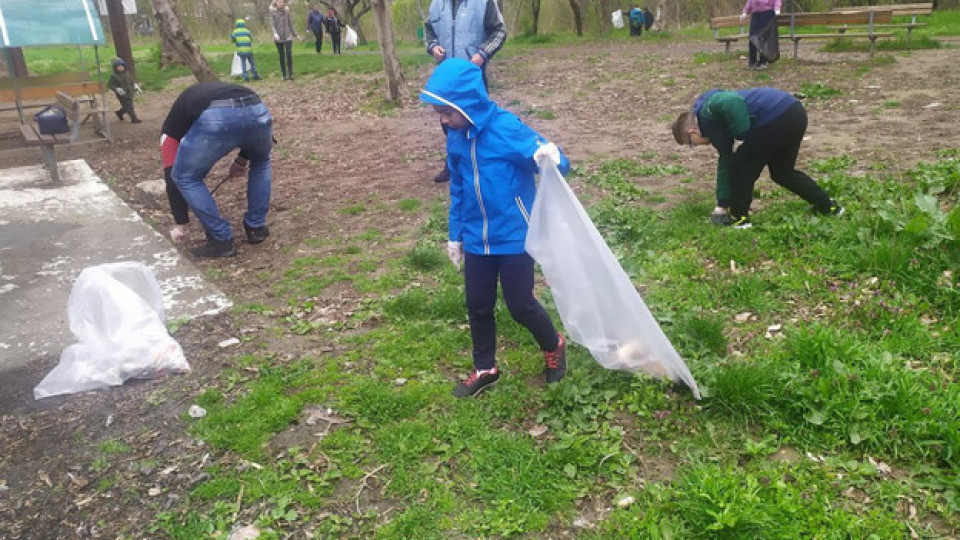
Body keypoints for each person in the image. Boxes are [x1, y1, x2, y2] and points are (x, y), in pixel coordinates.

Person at [420, 58, 569, 398]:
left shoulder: (507, 129)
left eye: (447, 112)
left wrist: (552, 156)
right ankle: (485, 368)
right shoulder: (456, 139)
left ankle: (554, 343)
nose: (443, 120)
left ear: (467, 103)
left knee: (520, 304)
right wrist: (455, 234)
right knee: (478, 304)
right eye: (438, 114)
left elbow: (556, 164)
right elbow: (457, 186)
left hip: (515, 235)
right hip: (476, 238)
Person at [671, 87, 844, 229]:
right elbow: (725, 160)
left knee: (741, 165)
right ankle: (828, 206)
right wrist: (721, 204)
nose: (698, 145)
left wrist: (743, 133)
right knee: (782, 173)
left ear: (692, 132)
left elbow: (731, 101)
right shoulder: (715, 129)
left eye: (691, 143)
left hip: (775, 116)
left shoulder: (707, 109)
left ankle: (740, 219)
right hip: (794, 113)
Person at [160, 82, 274, 257]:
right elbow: (248, 126)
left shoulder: (170, 131)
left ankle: (221, 239)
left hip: (218, 115)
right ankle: (256, 228)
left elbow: (172, 173)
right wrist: (241, 161)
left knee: (185, 177)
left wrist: (181, 222)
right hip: (257, 109)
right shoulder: (213, 91)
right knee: (261, 162)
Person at [424, 0, 507, 184]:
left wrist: (483, 54)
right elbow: (429, 29)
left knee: (476, 120)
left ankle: (482, 162)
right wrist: (433, 46)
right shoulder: (437, 3)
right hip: (447, 74)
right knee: (448, 121)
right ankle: (453, 163)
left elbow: (499, 32)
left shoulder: (484, 2)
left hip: (472, 74)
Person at [740, 0, 781, 69]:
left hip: (767, 13)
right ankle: (752, 62)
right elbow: (750, 1)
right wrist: (745, 11)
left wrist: (777, 8)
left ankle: (763, 62)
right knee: (752, 38)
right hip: (755, 14)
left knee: (764, 38)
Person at [269, 0, 299, 80]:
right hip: (278, 37)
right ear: (276, 3)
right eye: (279, 2)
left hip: (287, 35)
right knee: (281, 56)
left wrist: (295, 34)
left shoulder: (287, 11)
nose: (281, 3)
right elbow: (272, 25)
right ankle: (284, 75)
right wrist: (275, 33)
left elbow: (290, 23)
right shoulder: (272, 12)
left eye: (282, 2)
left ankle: (291, 74)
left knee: (288, 54)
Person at [107, 58, 141, 123]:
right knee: (129, 106)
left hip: (130, 92)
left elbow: (131, 80)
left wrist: (135, 86)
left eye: (121, 66)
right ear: (115, 68)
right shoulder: (113, 76)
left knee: (127, 106)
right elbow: (110, 84)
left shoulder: (127, 73)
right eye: (118, 67)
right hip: (121, 94)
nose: (120, 68)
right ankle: (134, 119)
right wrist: (116, 89)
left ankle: (119, 112)